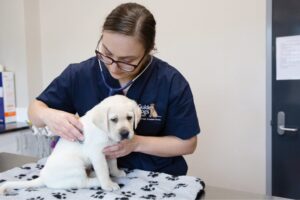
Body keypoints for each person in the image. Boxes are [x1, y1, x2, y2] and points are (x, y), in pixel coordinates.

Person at [28, 2, 200, 176]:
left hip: (156, 175)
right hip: (99, 178)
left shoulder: (170, 81)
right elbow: (35, 112)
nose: (114, 68)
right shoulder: (80, 74)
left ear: (149, 50)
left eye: (127, 61)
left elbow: (187, 143)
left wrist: (136, 143)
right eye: (107, 53)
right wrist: (48, 115)